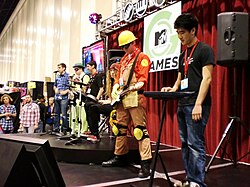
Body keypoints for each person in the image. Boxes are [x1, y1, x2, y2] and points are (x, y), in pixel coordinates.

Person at [161, 13, 215, 187]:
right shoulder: (182, 55)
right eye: (177, 32)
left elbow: (207, 79)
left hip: (197, 104)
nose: (179, 36)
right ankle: (190, 179)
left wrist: (198, 104)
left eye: (182, 32)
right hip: (182, 103)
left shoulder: (204, 50)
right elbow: (180, 78)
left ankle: (197, 182)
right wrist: (173, 88)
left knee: (195, 144)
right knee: (185, 144)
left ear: (193, 30)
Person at [102, 30, 152, 178]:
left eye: (126, 46)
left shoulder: (142, 57)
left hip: (135, 97)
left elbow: (143, 78)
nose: (123, 49)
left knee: (140, 131)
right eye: (122, 46)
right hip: (122, 98)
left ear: (133, 43)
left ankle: (146, 162)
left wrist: (137, 85)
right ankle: (120, 156)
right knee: (119, 128)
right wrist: (116, 87)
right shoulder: (124, 60)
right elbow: (118, 78)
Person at [86, 62, 120, 142]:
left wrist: (104, 101)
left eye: (114, 71)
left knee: (93, 108)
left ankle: (95, 134)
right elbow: (111, 99)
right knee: (89, 105)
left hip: (116, 107)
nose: (112, 73)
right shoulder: (111, 84)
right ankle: (92, 131)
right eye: (111, 71)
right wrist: (104, 101)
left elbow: (117, 99)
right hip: (111, 104)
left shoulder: (119, 83)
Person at [84, 61, 104, 141]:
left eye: (88, 66)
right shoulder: (90, 77)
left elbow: (101, 88)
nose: (87, 68)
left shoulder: (98, 76)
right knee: (88, 116)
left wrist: (97, 99)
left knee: (93, 116)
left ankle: (95, 133)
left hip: (93, 100)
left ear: (93, 66)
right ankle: (92, 131)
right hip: (88, 98)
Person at [69, 63, 90, 135]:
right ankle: (75, 129)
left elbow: (85, 88)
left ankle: (83, 130)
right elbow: (71, 86)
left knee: (83, 116)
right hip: (75, 98)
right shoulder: (74, 77)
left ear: (81, 69)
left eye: (77, 69)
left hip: (82, 98)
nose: (75, 71)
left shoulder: (85, 76)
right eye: (74, 69)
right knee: (75, 115)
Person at [53, 63, 70, 134]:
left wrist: (65, 91)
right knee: (56, 114)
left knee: (64, 114)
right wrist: (55, 89)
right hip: (57, 97)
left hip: (64, 98)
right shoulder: (57, 76)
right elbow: (54, 85)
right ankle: (56, 128)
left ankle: (64, 129)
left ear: (64, 68)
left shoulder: (68, 76)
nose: (58, 69)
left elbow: (70, 87)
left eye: (59, 67)